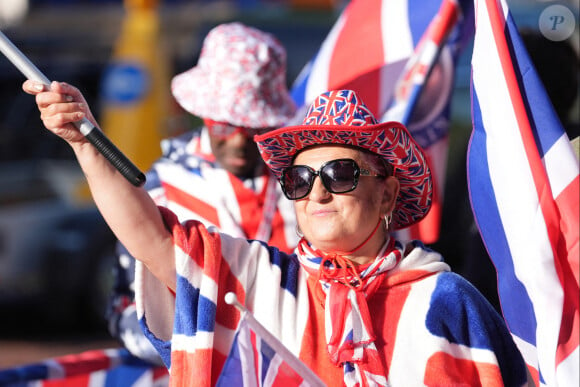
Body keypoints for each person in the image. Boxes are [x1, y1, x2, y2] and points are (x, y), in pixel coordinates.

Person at [24, 82, 528, 386]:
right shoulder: (267, 280)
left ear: (388, 196)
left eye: (341, 175)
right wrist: (85, 144)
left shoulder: (448, 301)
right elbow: (152, 239)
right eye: (299, 179)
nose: (317, 193)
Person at [106, 22, 300, 365]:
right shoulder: (159, 189)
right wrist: (193, 348)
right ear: (203, 115)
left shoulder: (304, 184)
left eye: (255, 126)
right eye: (225, 124)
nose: (239, 140)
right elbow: (126, 308)